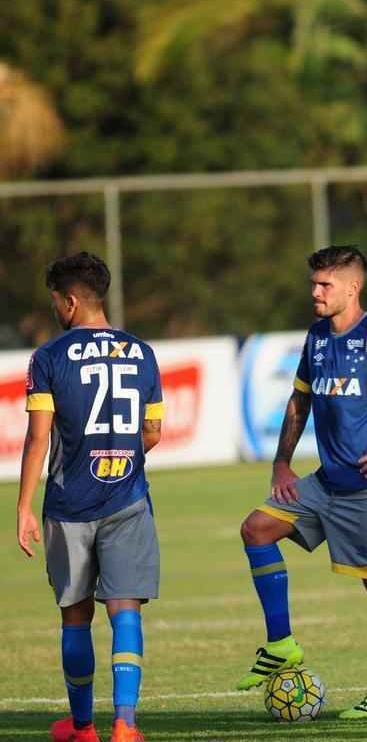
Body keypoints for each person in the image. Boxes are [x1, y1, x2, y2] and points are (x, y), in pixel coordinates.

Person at [234, 245, 367, 719]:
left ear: (353, 287)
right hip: (324, 483)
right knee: (256, 529)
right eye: (314, 284)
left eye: (325, 285)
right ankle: (281, 644)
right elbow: (298, 400)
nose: (316, 292)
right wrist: (282, 463)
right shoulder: (317, 337)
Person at [17, 252, 165, 742]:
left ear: (71, 301)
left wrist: (22, 507)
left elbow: (38, 438)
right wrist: (118, 454)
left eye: (57, 301)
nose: (57, 310)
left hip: (68, 504)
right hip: (127, 498)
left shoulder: (50, 357)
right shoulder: (142, 352)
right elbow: (154, 431)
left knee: (75, 616)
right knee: (126, 610)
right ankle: (125, 724)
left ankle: (83, 728)